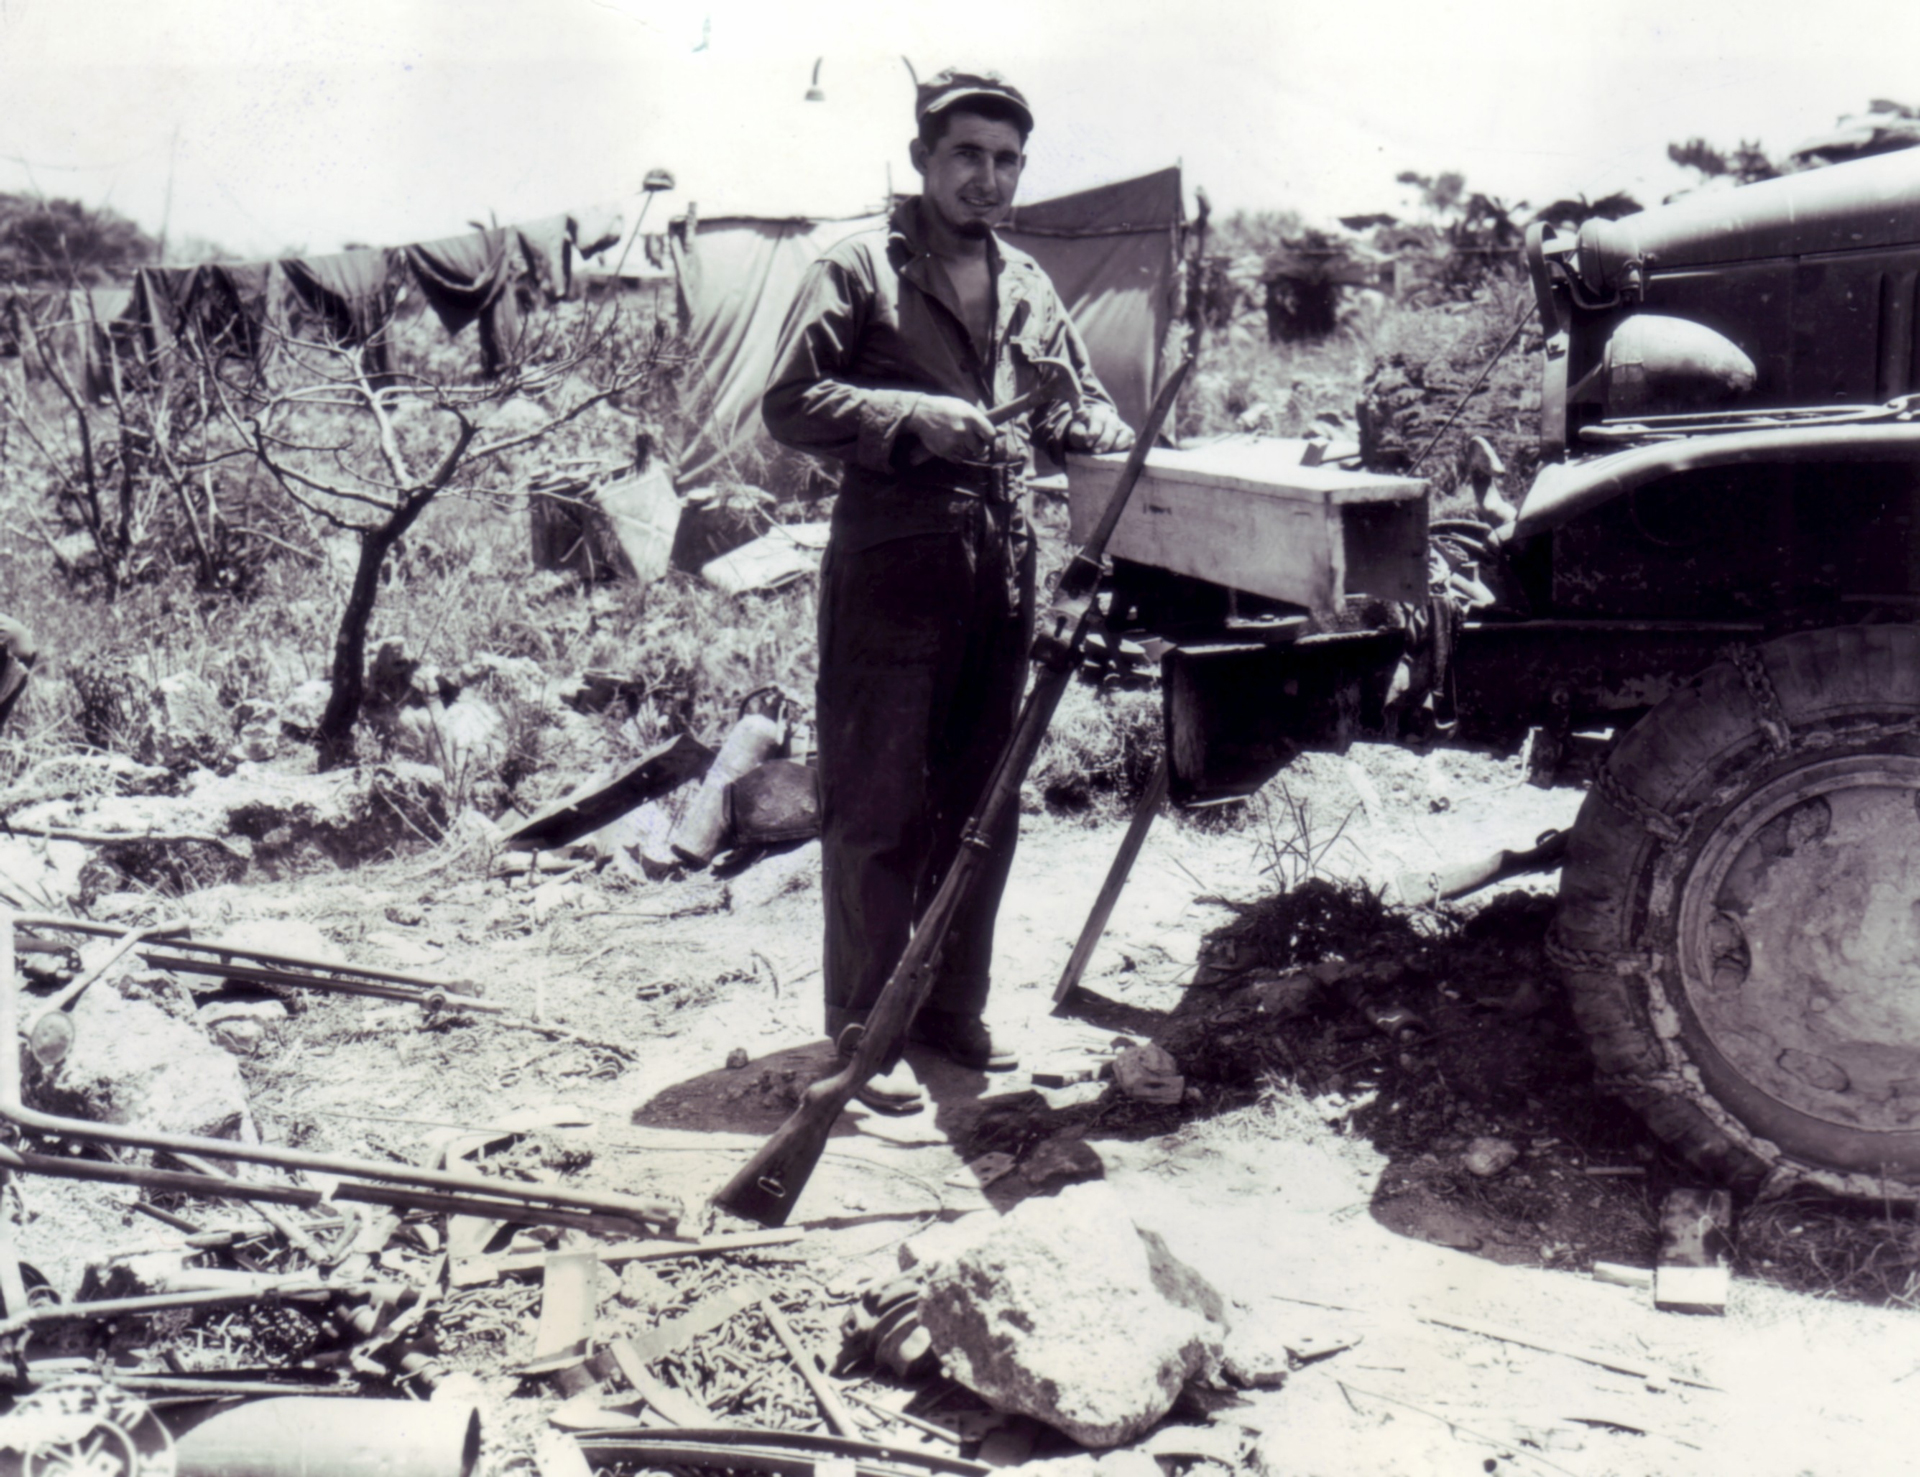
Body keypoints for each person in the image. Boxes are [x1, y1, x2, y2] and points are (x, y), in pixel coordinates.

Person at [763, 69, 1134, 1113]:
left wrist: (1093, 428)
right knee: (879, 802)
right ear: (925, 160)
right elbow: (789, 404)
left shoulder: (1026, 280)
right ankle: (860, 1033)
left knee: (984, 797)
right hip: (892, 567)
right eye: (968, 155)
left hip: (1000, 572)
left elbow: (1076, 408)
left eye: (1007, 160)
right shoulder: (859, 266)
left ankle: (950, 1009)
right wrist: (909, 417)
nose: (989, 177)